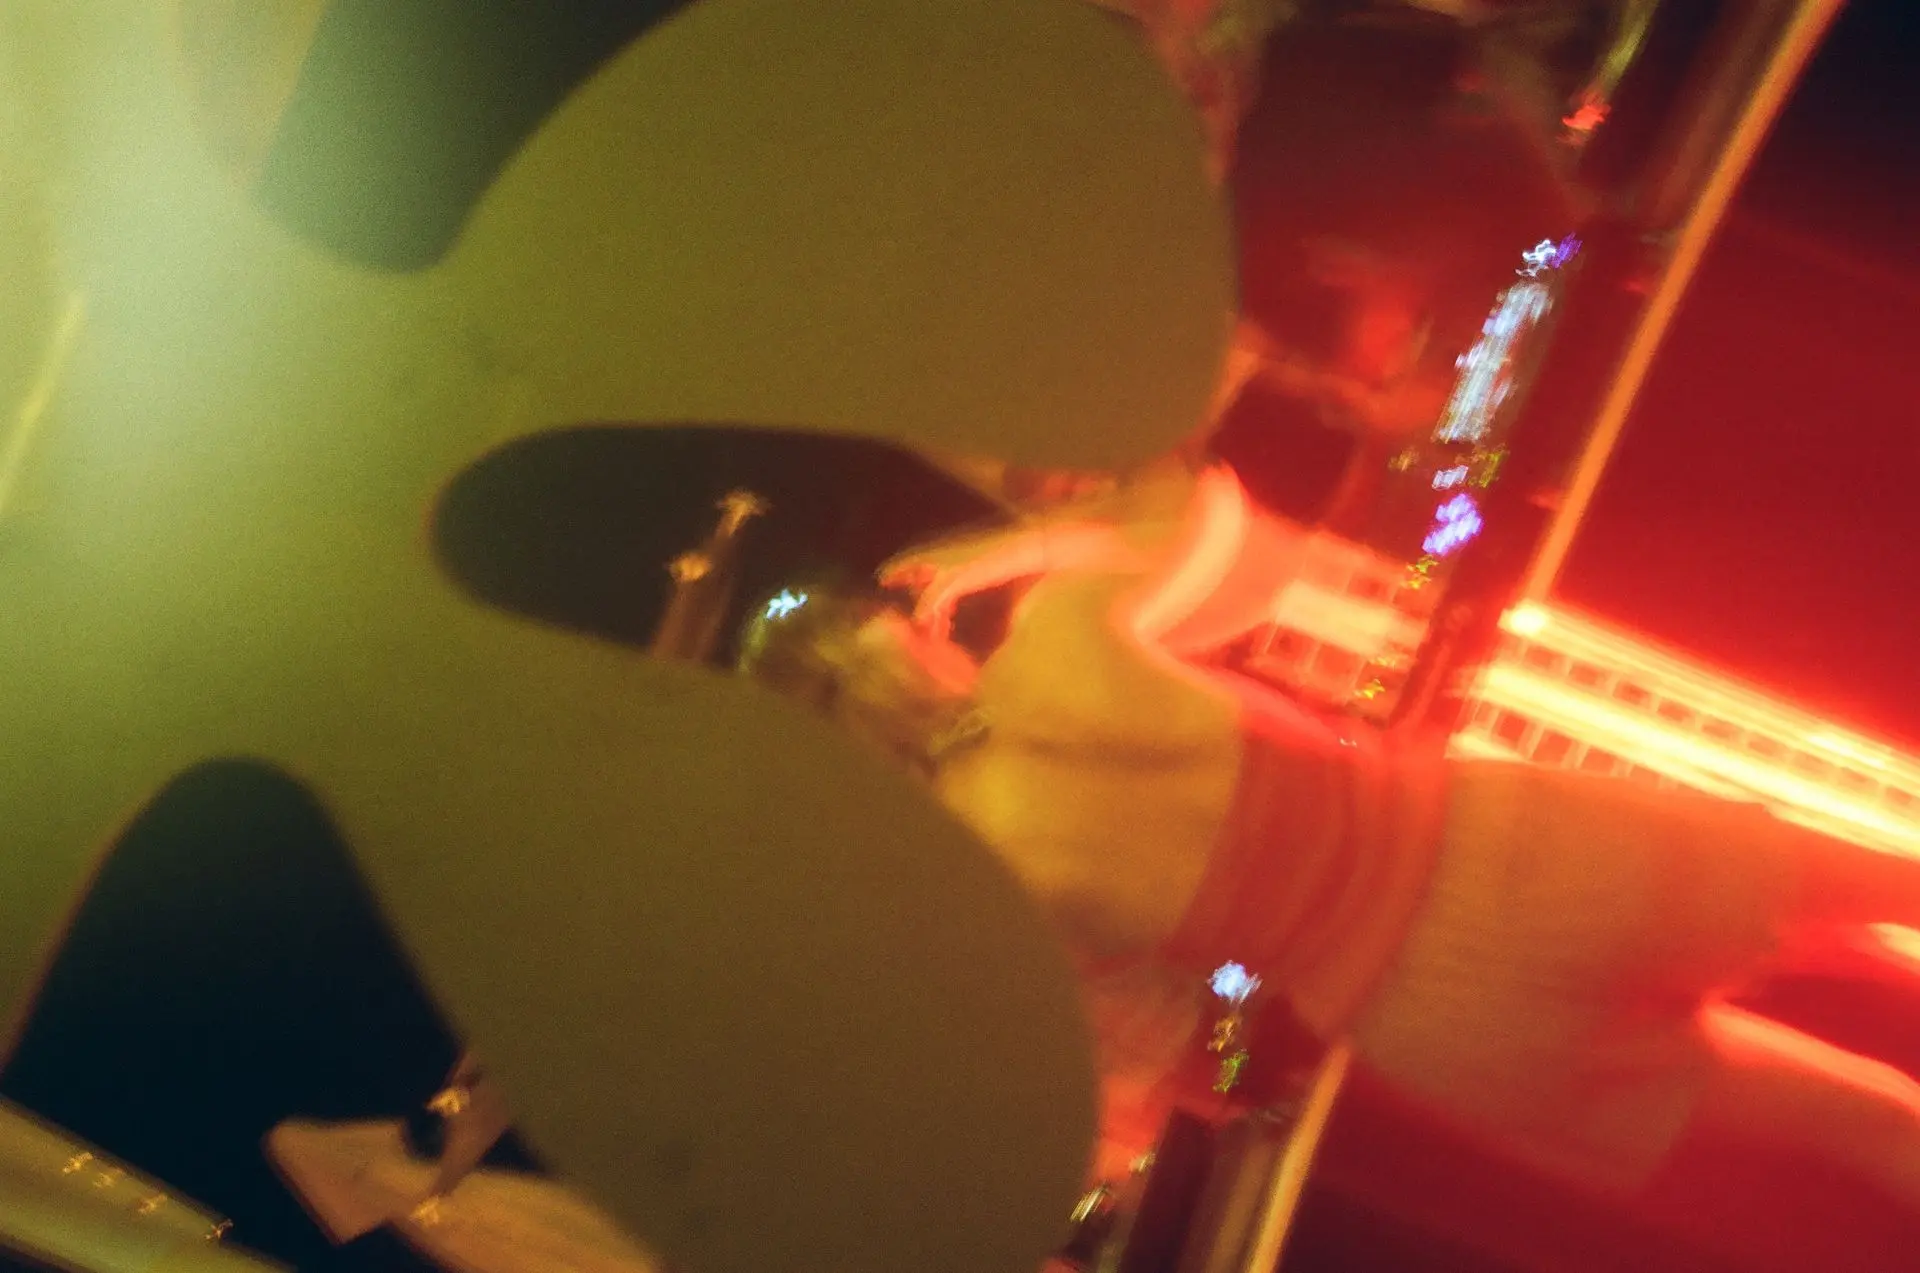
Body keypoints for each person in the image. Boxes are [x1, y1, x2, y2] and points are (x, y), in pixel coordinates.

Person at [862, 454, 1920, 1220]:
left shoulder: (981, 883)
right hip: (1492, 852)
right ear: (914, 643)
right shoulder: (1056, 646)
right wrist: (1014, 552)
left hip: (1424, 1011)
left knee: (1868, 1119)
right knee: (1894, 889)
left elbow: (1173, 1046)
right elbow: (1216, 522)